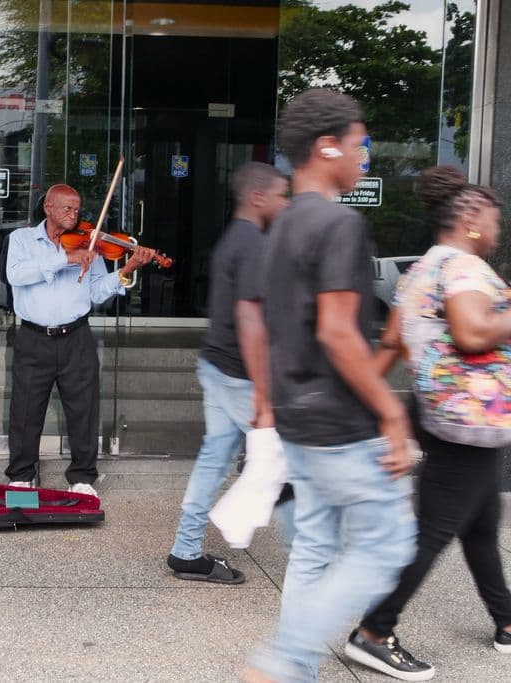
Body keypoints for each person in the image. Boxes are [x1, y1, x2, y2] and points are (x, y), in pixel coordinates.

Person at [243, 89, 417, 682]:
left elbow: (266, 325)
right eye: (358, 144)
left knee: (316, 548)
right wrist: (391, 414)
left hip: (299, 421)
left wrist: (268, 404)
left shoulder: (281, 225)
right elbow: (341, 334)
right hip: (342, 424)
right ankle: (285, 659)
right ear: (326, 147)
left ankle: (295, 671)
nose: (364, 155)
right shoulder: (339, 223)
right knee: (387, 545)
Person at [344, 166, 511, 680]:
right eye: (495, 219)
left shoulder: (421, 269)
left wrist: (361, 404)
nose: (500, 229)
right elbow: (472, 330)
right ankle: (374, 631)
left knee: (480, 524)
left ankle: (506, 620)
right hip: (468, 417)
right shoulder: (463, 268)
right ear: (473, 221)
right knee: (432, 532)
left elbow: (392, 343)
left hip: (447, 413)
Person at [167, 161, 289, 585]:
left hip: (217, 365)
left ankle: (186, 551)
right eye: (281, 194)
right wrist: (263, 394)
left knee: (214, 461)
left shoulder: (232, 240)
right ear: (258, 196)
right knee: (285, 463)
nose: (285, 202)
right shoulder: (253, 242)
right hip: (240, 375)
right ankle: (309, 567)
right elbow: (251, 319)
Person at [4, 184, 155, 497]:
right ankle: (21, 476)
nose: (74, 215)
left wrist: (126, 269)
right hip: (33, 337)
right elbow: (16, 275)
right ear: (48, 207)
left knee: (83, 410)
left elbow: (97, 291)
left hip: (76, 336)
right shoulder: (22, 240)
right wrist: (65, 259)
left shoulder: (90, 244)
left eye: (76, 209)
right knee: (25, 410)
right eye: (66, 208)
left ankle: (82, 478)